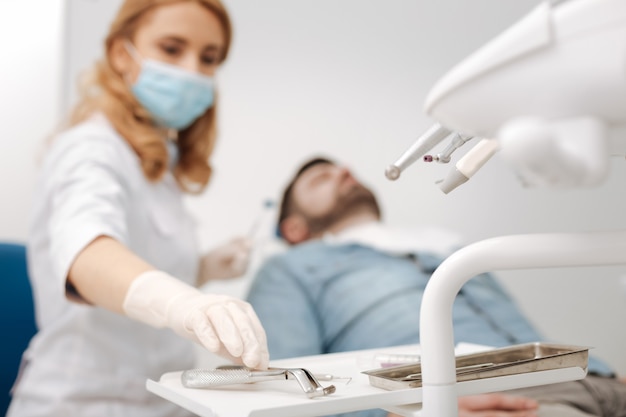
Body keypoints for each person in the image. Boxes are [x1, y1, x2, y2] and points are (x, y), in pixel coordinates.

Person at [8, 1, 269, 416]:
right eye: (171, 48)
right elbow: (86, 255)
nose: (191, 70)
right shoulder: (90, 148)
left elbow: (141, 262)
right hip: (83, 401)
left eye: (209, 58)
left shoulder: (153, 161)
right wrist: (183, 303)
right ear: (120, 54)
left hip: (164, 399)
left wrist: (203, 269)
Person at [246, 156, 626, 417]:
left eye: (343, 168)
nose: (344, 172)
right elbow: (283, 390)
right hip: (495, 404)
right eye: (320, 178)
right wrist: (403, 414)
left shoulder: (448, 249)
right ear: (294, 228)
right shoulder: (289, 268)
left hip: (597, 378)